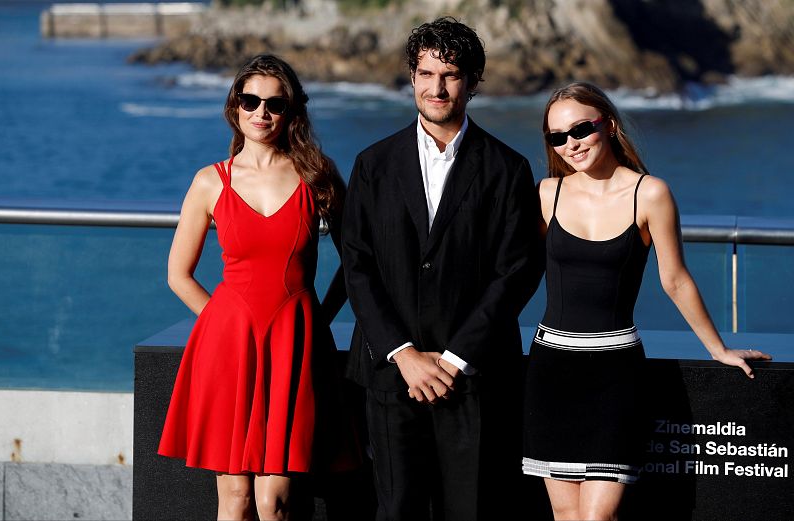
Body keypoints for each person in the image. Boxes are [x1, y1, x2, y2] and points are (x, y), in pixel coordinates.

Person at [521, 81, 773, 521]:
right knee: (565, 517)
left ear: (609, 124)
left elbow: (675, 280)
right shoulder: (546, 195)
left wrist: (719, 349)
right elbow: (512, 274)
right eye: (557, 137)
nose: (570, 144)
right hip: (552, 370)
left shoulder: (650, 193)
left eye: (580, 129)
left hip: (614, 371)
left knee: (598, 517)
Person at [341, 16, 545, 521]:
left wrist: (453, 359)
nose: (437, 87)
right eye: (427, 73)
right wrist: (404, 354)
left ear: (473, 82)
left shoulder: (507, 168)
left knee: (471, 511)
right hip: (391, 374)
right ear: (411, 77)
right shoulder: (373, 164)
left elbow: (516, 272)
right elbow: (358, 264)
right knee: (397, 511)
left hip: (472, 377)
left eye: (451, 75)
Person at [157, 54, 359, 521]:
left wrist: (316, 319)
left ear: (291, 111)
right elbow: (178, 275)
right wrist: (222, 324)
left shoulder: (317, 174)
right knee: (236, 500)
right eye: (250, 101)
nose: (261, 113)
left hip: (295, 344)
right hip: (228, 347)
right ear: (235, 107)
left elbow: (357, 262)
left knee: (277, 502)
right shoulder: (211, 181)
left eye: (274, 103)